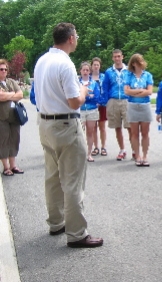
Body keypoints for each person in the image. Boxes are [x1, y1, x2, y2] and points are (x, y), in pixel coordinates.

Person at [33, 22, 103, 248]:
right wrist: (83, 89)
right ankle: (77, 233)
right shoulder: (65, 64)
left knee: (52, 177)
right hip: (65, 124)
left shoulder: (42, 61)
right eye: (77, 35)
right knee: (73, 181)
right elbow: (74, 101)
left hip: (45, 124)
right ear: (71, 38)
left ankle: (56, 222)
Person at [124, 53, 153, 166]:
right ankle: (138, 155)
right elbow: (126, 91)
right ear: (134, 63)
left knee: (145, 133)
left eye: (142, 61)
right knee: (134, 133)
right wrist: (141, 91)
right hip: (132, 106)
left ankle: (145, 156)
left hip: (145, 105)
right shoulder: (129, 75)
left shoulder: (147, 75)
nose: (141, 63)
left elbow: (149, 91)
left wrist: (134, 92)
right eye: (138, 61)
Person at [102, 49, 132, 161]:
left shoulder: (128, 71)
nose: (117, 58)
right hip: (113, 100)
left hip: (126, 100)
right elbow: (105, 87)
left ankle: (134, 150)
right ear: (112, 58)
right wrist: (106, 101)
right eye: (115, 57)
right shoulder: (109, 72)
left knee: (130, 126)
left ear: (122, 57)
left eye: (119, 56)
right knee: (117, 127)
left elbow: (132, 85)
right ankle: (122, 149)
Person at [0, 59, 24, 176]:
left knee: (15, 139)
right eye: (1, 69)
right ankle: (6, 167)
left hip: (14, 116)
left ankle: (13, 165)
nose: (3, 71)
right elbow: (0, 96)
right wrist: (12, 95)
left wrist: (7, 95)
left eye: (5, 69)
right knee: (3, 141)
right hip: (2, 117)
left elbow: (20, 94)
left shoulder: (11, 82)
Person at [78, 61, 100, 162]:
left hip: (92, 109)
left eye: (87, 70)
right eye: (84, 70)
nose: (85, 72)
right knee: (80, 133)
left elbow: (97, 97)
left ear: (90, 71)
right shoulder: (76, 83)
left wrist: (85, 96)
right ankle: (80, 153)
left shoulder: (94, 83)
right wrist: (86, 95)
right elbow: (75, 96)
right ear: (80, 71)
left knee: (90, 133)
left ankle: (89, 153)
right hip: (80, 110)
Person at [91, 57, 107, 157]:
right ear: (91, 66)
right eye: (94, 64)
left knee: (102, 127)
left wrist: (101, 101)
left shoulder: (104, 77)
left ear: (100, 66)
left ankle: (103, 147)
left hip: (102, 105)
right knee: (93, 127)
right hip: (92, 105)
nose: (96, 66)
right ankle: (95, 147)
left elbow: (106, 91)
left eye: (98, 64)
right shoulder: (88, 77)